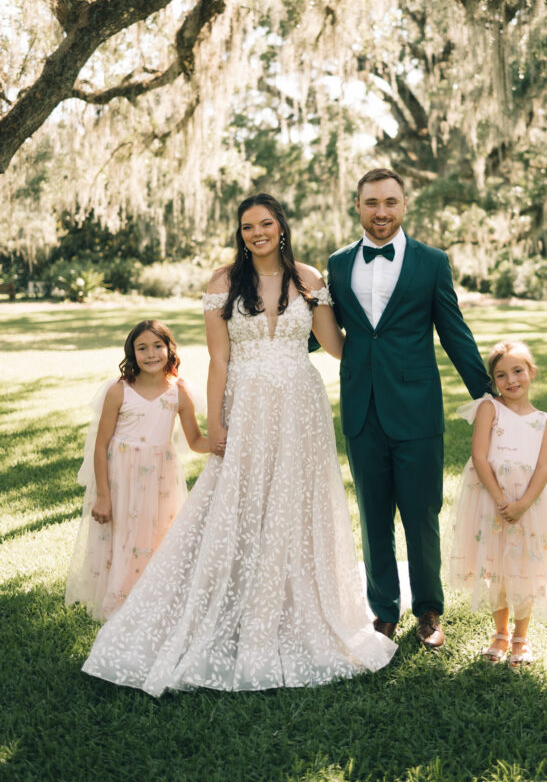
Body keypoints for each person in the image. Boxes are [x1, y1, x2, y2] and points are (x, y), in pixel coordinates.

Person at [82, 194, 396, 695]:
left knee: (296, 501)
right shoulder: (223, 282)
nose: (257, 233)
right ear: (241, 233)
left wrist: (382, 335)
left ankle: (293, 604)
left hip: (300, 404)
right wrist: (217, 422)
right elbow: (219, 358)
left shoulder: (310, 279)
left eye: (265, 223)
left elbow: (337, 347)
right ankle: (233, 603)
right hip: (245, 402)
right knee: (239, 502)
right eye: (248, 226)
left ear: (281, 226)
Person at [326, 168, 493, 649]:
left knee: (421, 514)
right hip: (361, 408)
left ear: (404, 205)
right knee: (374, 515)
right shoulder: (338, 265)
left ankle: (429, 611)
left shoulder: (431, 262)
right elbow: (322, 327)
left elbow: (453, 330)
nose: (381, 212)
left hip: (418, 409)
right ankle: (383, 612)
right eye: (372, 202)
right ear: (357, 206)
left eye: (390, 202)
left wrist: (487, 394)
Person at [65, 320, 206, 622]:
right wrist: (103, 496)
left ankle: (151, 607)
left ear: (170, 350)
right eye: (142, 348)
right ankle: (118, 610)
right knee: (123, 539)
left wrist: (226, 442)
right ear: (132, 353)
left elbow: (195, 440)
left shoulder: (179, 393)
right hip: (120, 480)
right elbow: (101, 446)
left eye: (158, 346)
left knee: (157, 539)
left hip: (160, 480)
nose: (151, 354)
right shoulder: (120, 391)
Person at [448, 340, 547, 668]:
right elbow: (479, 456)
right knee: (497, 568)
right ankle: (500, 634)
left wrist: (522, 504)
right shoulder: (490, 408)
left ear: (531, 372)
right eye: (501, 375)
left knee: (524, 568)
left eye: (518, 371)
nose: (511, 380)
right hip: (491, 501)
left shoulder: (545, 422)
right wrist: (502, 500)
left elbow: (544, 469)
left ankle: (521, 636)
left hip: (528, 508)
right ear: (494, 381)